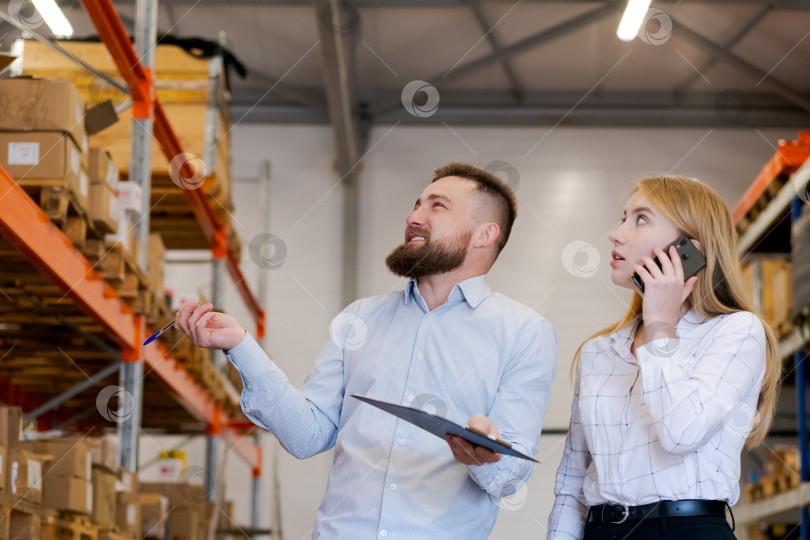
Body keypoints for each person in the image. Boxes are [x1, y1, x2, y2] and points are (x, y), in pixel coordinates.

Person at [176, 162, 558, 539]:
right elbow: (305, 436)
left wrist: (484, 455)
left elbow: (507, 479)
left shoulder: (524, 333)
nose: (414, 217)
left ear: (484, 234)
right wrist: (241, 346)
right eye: (417, 204)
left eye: (437, 206)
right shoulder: (360, 318)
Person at [546, 175, 780, 540]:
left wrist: (659, 323)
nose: (615, 234)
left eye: (640, 219)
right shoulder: (599, 351)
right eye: (623, 217)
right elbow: (571, 484)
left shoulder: (736, 333)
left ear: (688, 249)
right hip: (600, 530)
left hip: (686, 530)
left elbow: (681, 432)